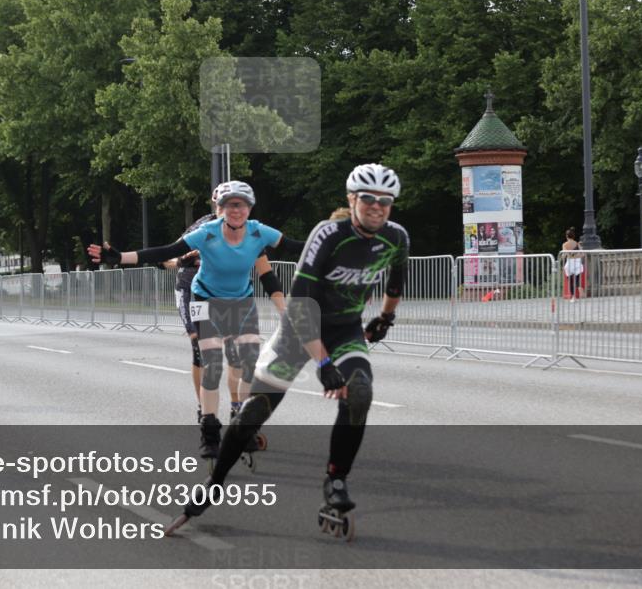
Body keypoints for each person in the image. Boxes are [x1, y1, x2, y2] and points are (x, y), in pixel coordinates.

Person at [166, 163, 410, 537]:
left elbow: (396, 283)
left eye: (385, 201)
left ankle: (336, 481)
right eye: (368, 200)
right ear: (352, 199)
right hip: (299, 331)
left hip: (345, 331)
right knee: (255, 412)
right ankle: (215, 481)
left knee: (360, 391)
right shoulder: (327, 235)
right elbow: (299, 306)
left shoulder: (396, 237)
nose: (377, 207)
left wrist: (386, 319)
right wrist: (323, 363)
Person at [89, 181, 291, 460]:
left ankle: (237, 411)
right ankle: (206, 418)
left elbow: (267, 274)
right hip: (192, 291)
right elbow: (166, 255)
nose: (234, 211)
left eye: (240, 205)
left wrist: (285, 312)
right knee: (204, 355)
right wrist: (123, 258)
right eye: (228, 206)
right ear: (217, 207)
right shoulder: (203, 230)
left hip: (236, 300)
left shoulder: (252, 233)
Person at [562, 227, 583, 302]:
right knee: (577, 278)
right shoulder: (577, 243)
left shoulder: (565, 244)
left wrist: (561, 257)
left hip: (570, 262)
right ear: (573, 236)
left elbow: (565, 255)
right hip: (577, 262)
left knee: (570, 280)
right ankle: (579, 286)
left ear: (566, 236)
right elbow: (582, 254)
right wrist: (576, 256)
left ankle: (573, 297)